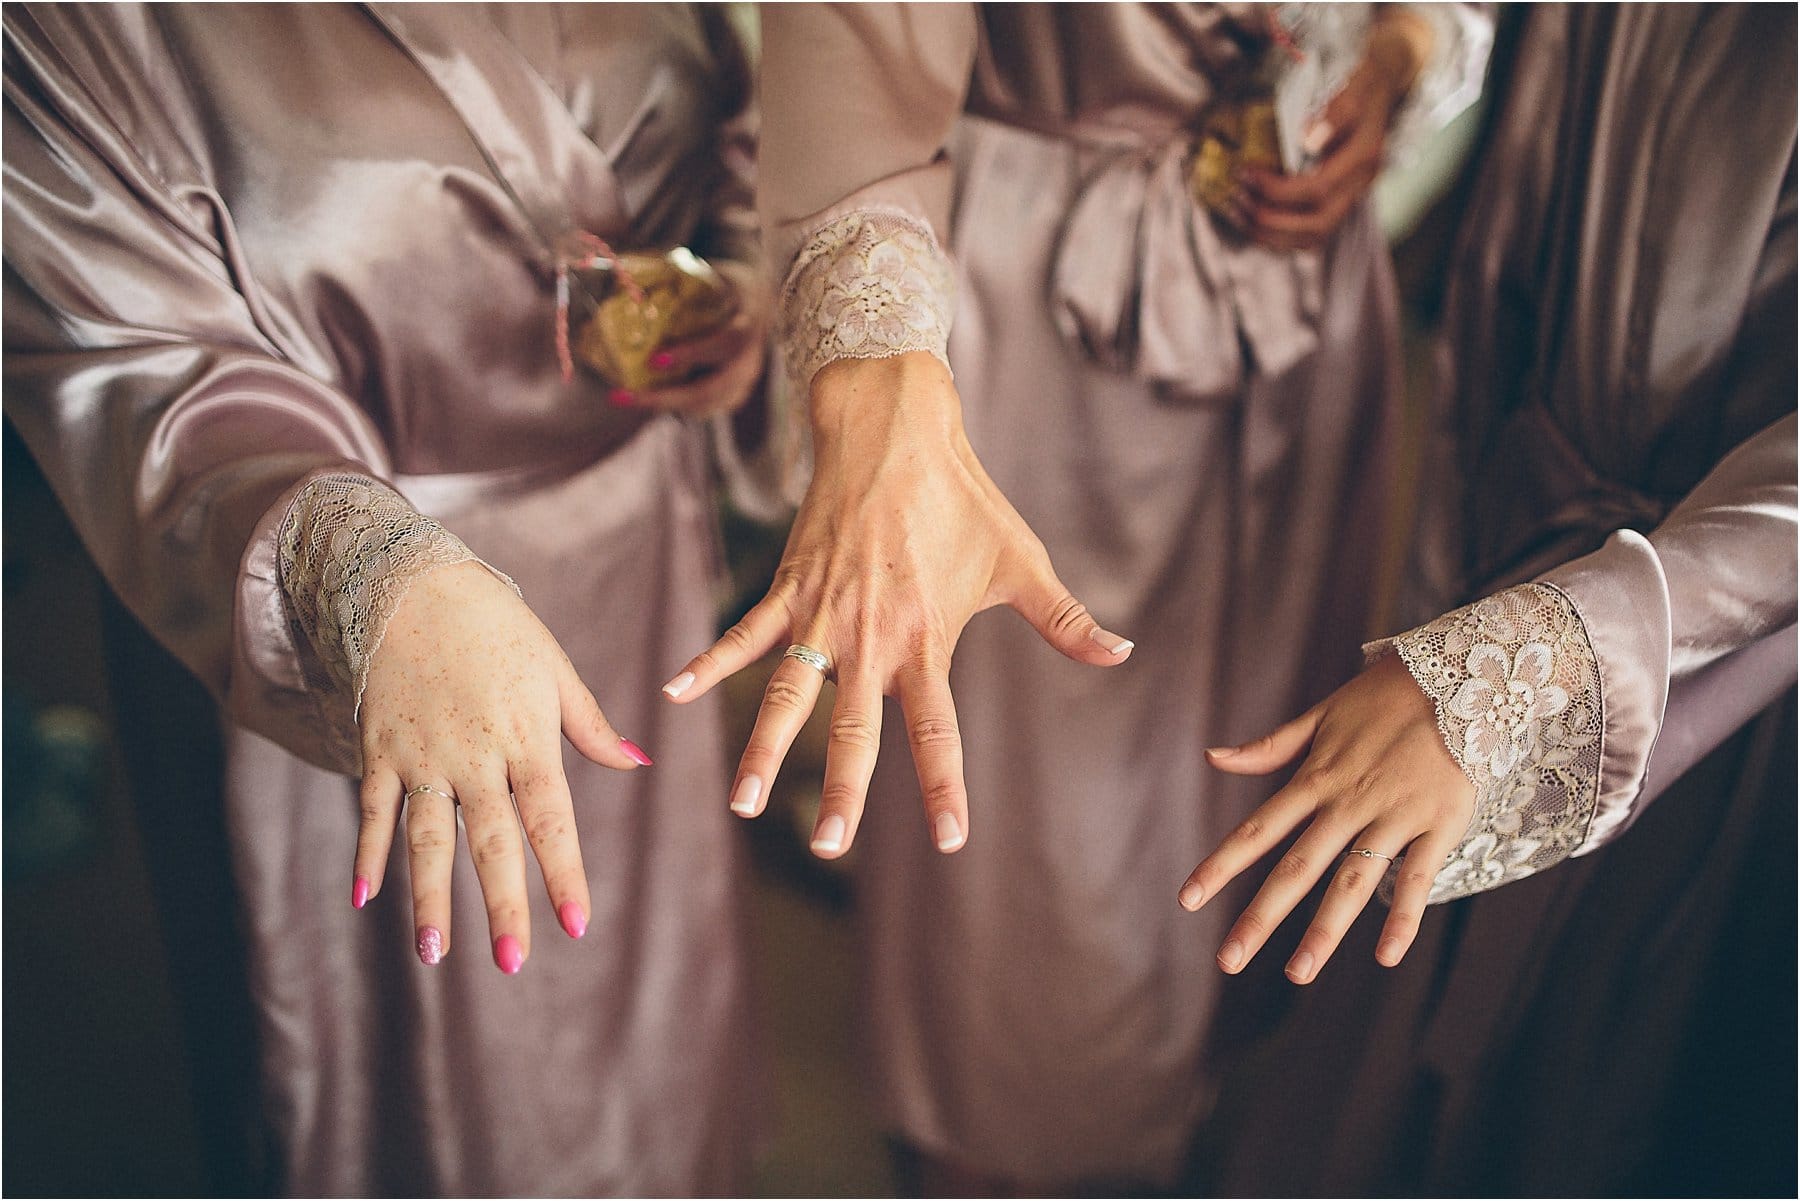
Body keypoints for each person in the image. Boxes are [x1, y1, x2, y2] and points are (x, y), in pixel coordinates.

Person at [662, 3, 1489, 1190]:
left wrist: (1405, 48)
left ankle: (1204, 1085)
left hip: (1297, 294)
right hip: (1045, 300)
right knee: (1044, 823)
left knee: (1265, 737)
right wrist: (876, 365)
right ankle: (1019, 1138)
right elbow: (857, 43)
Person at [4, 5, 773, 1193]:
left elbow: (742, 115)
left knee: (647, 1010)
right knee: (421, 1074)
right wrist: (366, 565)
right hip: (337, 623)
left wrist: (746, 284)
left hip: (630, 563)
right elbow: (124, 353)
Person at [1182, 4, 1796, 1193]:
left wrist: (1530, 663)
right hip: (1516, 480)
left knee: (1597, 1074)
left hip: (1728, 652)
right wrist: (1408, 54)